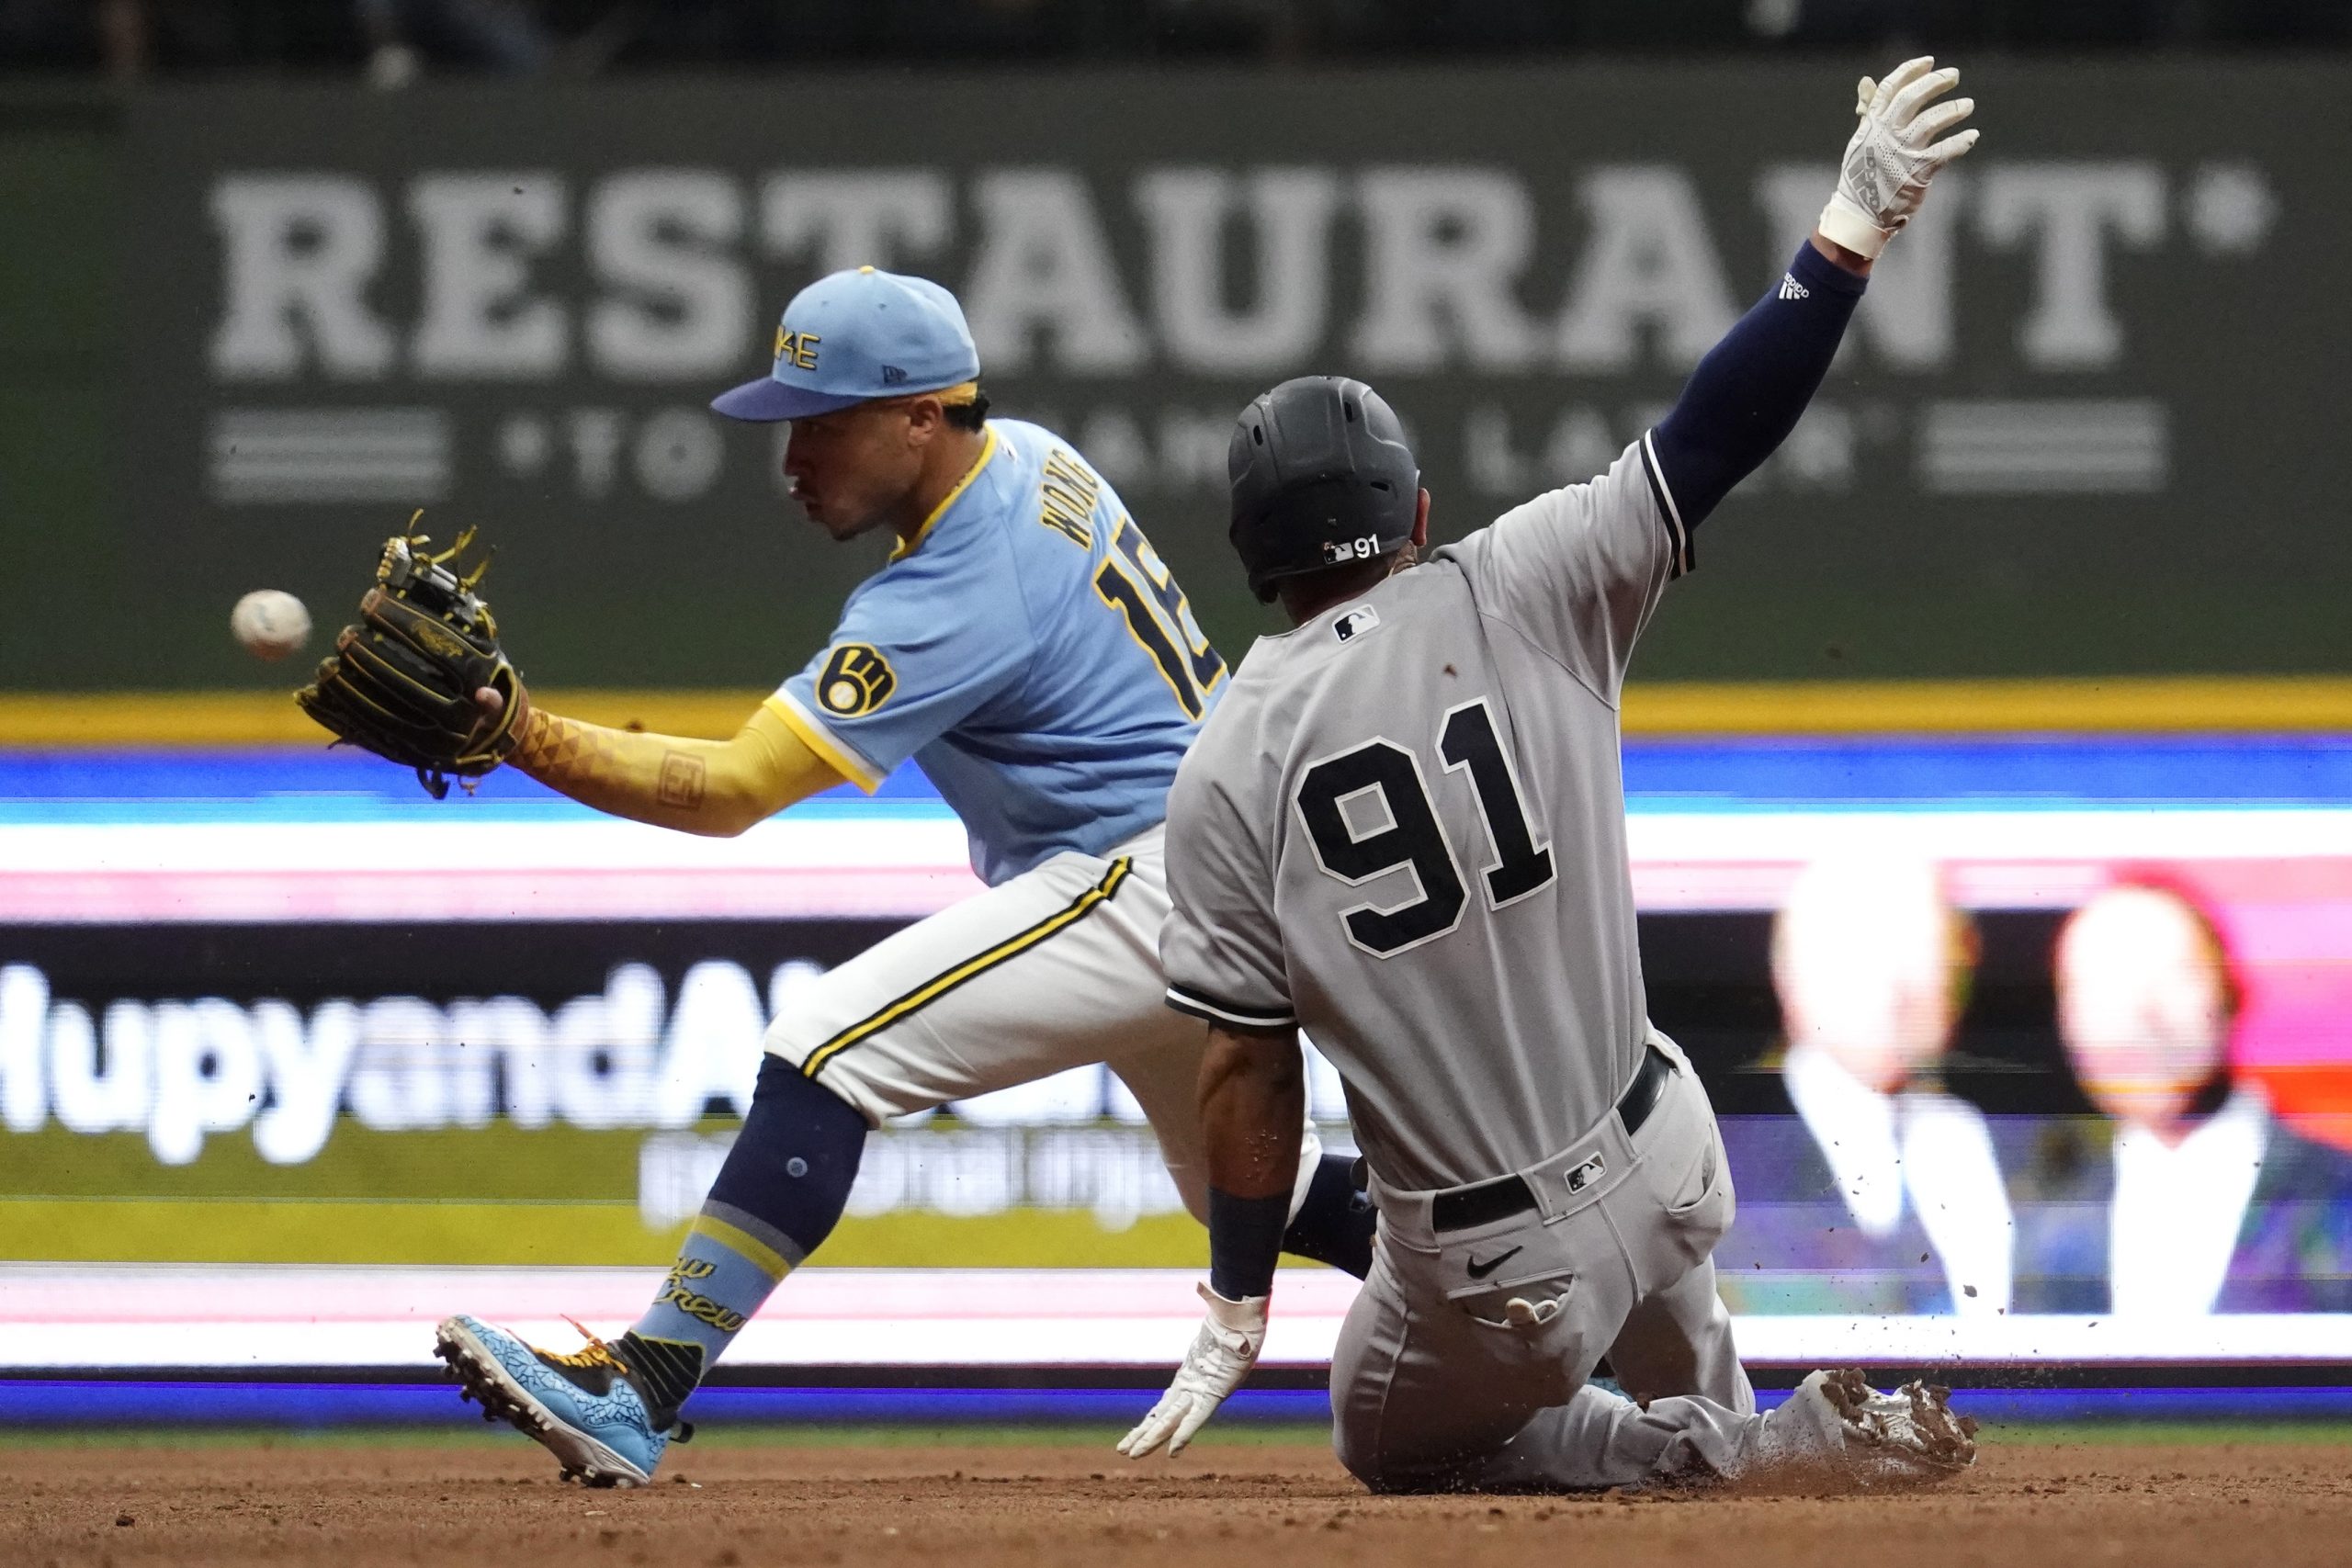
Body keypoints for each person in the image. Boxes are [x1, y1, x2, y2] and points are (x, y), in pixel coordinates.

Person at [1120, 58, 1981, 1489]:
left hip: (1492, 1266)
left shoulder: (1229, 750)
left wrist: (1234, 1289)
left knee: (1381, 1440)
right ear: (1418, 508)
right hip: (1668, 1152)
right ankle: (1759, 1441)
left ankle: (1684, 1449)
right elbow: (1718, 427)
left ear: (1255, 557)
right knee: (1755, 1467)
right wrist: (1850, 225)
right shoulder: (1528, 575)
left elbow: (1245, 1068)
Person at [432, 265, 1375, 1485]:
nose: (792, 457)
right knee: (1256, 1184)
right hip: (1216, 862)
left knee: (825, 1049)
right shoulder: (1029, 453)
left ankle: (644, 1381)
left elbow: (731, 792)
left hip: (1156, 876)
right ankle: (1552, 1305)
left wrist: (520, 731)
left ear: (923, 416)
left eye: (822, 422)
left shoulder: (957, 584)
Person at [2037, 877, 2352, 1315]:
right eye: (2099, 987)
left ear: (2229, 990)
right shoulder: (2042, 1209)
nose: (2138, 1011)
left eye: (2171, 975)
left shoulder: (2338, 1192)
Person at [1753, 853, 2014, 1314]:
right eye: (1858, 944)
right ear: (1786, 975)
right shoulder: (1719, 1151)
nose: (1894, 982)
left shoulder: (2002, 1138)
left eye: (1919, 946)